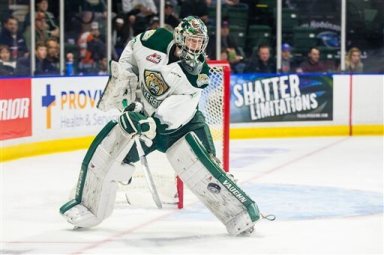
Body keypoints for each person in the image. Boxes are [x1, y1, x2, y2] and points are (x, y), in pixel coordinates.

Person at [60, 16, 261, 236]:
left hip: (184, 126)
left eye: (199, 42)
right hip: (145, 120)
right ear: (179, 37)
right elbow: (130, 57)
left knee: (208, 171)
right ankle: (87, 201)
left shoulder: (198, 71)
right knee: (112, 156)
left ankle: (238, 215)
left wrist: (153, 123)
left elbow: (183, 106)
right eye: (191, 40)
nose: (195, 46)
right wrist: (127, 94)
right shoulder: (153, 40)